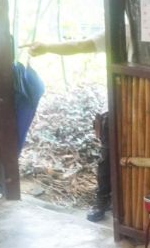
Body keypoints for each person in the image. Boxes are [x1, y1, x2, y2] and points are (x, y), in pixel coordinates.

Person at [26, 32, 111, 222]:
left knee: (111, 157)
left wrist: (46, 47)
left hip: (144, 104)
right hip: (118, 105)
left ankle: (110, 200)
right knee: (108, 157)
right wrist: (47, 47)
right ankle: (102, 199)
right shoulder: (123, 30)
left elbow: (80, 45)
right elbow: (80, 45)